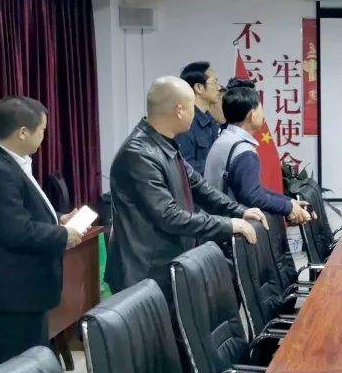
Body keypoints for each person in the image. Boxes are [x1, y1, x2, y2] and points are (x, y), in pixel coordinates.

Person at [106, 77, 266, 304]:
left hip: (166, 264)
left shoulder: (164, 143)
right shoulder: (139, 154)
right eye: (192, 106)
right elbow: (169, 216)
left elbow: (200, 187)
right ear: (179, 111)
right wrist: (228, 225)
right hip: (144, 273)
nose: (197, 113)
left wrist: (240, 211)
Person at [0, 97, 83, 370]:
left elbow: (21, 211)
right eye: (42, 130)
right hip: (12, 293)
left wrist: (58, 219)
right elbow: (15, 230)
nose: (44, 136)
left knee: (27, 366)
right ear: (23, 132)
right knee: (11, 370)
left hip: (25, 291)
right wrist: (62, 235)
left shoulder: (8, 160)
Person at [204, 79, 312, 224]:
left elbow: (255, 189)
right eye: (261, 109)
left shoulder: (225, 139)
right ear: (252, 115)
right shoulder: (243, 151)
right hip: (230, 228)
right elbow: (253, 196)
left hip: (217, 222)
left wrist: (289, 202)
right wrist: (288, 208)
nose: (264, 116)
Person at [174, 62, 223, 175]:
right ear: (199, 87)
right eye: (214, 82)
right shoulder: (185, 123)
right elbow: (184, 167)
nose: (219, 88)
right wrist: (219, 167)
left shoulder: (212, 121)